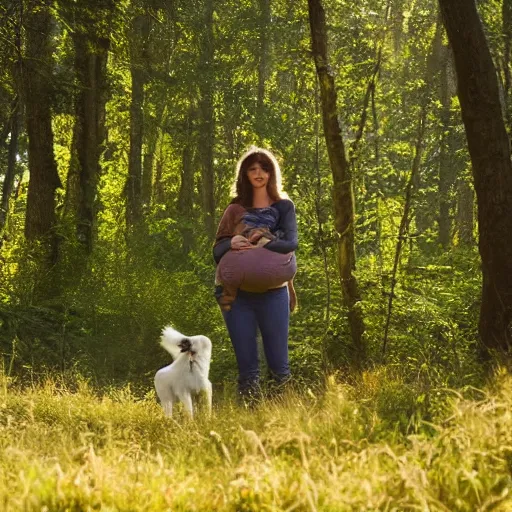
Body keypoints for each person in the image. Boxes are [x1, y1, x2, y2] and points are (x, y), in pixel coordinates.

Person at [213, 147, 298, 401]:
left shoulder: (284, 207)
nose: (259, 173)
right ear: (245, 174)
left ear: (272, 173)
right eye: (253, 169)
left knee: (279, 367)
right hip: (236, 297)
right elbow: (217, 251)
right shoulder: (234, 209)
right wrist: (233, 241)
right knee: (248, 369)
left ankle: (285, 421)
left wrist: (264, 241)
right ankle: (250, 423)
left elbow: (290, 244)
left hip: (274, 294)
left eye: (264, 168)